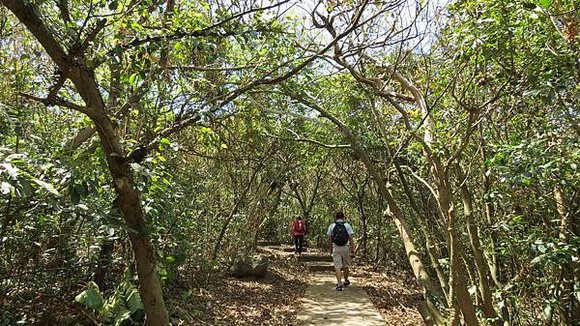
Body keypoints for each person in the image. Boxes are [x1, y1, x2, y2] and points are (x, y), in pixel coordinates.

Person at [327, 211, 354, 291]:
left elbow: (330, 238)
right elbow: (350, 237)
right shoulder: (347, 225)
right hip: (346, 247)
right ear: (343, 217)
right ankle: (345, 281)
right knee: (346, 265)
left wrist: (330, 248)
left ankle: (339, 284)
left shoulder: (332, 225)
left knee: (337, 266)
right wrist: (353, 248)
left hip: (336, 247)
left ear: (336, 217)